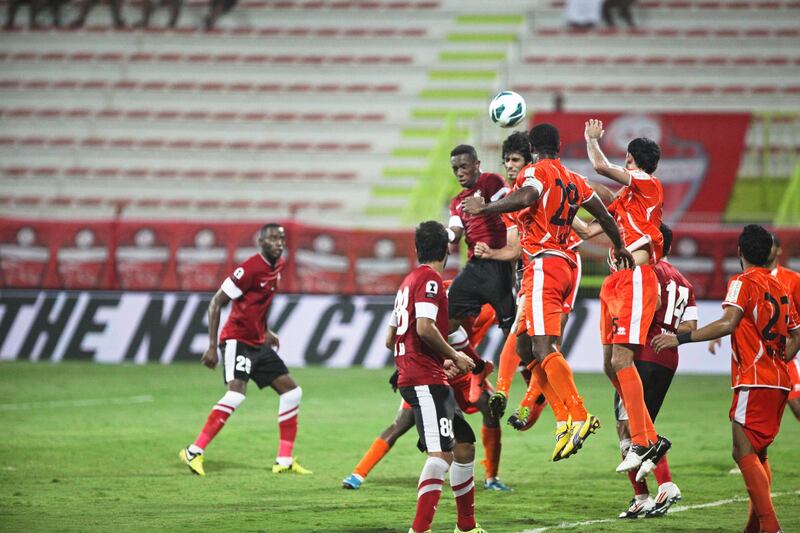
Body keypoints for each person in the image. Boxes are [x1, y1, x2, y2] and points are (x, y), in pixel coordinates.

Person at [463, 123, 634, 461]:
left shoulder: (535, 173)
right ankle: (560, 419)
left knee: (543, 346)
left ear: (533, 149)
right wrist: (621, 246)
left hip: (545, 263)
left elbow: (527, 196)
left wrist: (484, 209)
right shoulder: (573, 178)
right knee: (527, 346)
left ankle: (579, 415)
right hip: (567, 263)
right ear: (558, 146)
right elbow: (603, 213)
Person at [653, 224, 800, 533]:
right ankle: (754, 527)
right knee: (758, 452)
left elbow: (729, 322)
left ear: (739, 252)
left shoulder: (741, 281)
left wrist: (682, 339)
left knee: (742, 451)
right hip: (779, 378)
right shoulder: (781, 288)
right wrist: (782, 357)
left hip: (755, 379)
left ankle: (770, 526)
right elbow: (797, 332)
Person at [573, 118, 669, 479]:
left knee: (622, 358)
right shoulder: (627, 200)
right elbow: (585, 229)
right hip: (616, 282)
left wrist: (591, 139)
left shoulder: (649, 185)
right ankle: (649, 437)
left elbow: (599, 166)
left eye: (626, 159)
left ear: (632, 160)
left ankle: (644, 439)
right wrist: (559, 208)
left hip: (637, 278)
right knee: (610, 365)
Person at [178, 224, 311, 476]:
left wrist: (266, 329)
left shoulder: (278, 266)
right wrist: (212, 346)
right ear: (260, 242)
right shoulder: (248, 269)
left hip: (258, 342)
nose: (279, 243)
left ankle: (284, 460)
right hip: (237, 340)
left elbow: (259, 304)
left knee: (292, 393)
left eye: (281, 239)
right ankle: (193, 451)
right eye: (273, 239)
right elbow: (216, 303)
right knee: (236, 395)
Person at [342, 299, 512, 493]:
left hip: (461, 373)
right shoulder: (429, 313)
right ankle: (358, 473)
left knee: (490, 409)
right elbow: (402, 342)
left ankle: (491, 477)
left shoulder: (483, 306)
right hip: (431, 375)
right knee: (402, 423)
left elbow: (477, 359)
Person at [391, 220, 484, 533]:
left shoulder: (408, 282)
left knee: (464, 444)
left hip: (421, 374)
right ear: (447, 249)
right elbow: (424, 328)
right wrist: (454, 356)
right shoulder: (431, 280)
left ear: (418, 249)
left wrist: (432, 358)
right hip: (423, 379)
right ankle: (419, 530)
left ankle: (467, 527)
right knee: (442, 454)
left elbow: (391, 337)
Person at [615, 224, 695, 519]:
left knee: (630, 425)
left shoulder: (648, 271)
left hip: (641, 352)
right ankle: (649, 493)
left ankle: (655, 490)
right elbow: (690, 327)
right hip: (668, 357)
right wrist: (672, 335)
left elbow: (652, 303)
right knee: (641, 423)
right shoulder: (683, 280)